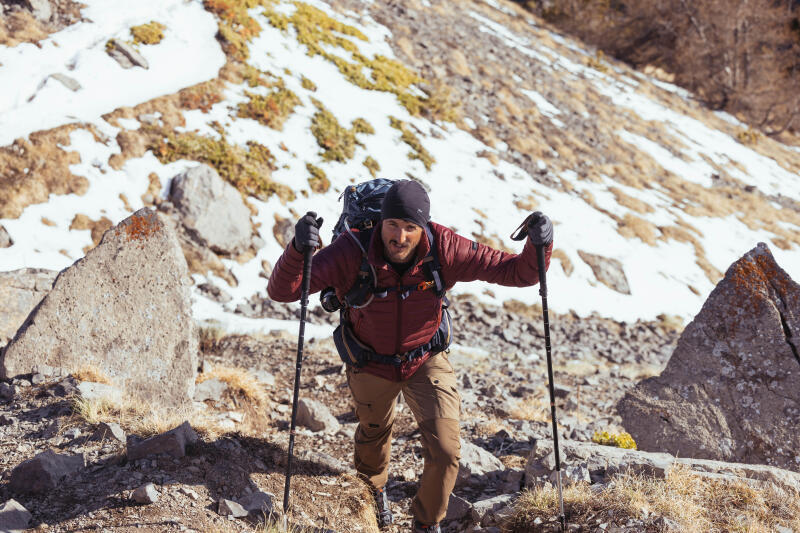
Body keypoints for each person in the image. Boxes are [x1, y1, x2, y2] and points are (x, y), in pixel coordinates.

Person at [268, 180, 553, 533]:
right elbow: (283, 290)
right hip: (369, 361)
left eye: (410, 228)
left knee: (447, 451)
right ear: (381, 222)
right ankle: (373, 493)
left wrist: (540, 243)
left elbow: (519, 272)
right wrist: (298, 249)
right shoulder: (351, 249)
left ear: (424, 228)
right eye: (392, 225)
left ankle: (426, 523)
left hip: (425, 358)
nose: (399, 237)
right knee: (374, 434)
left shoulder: (444, 246)